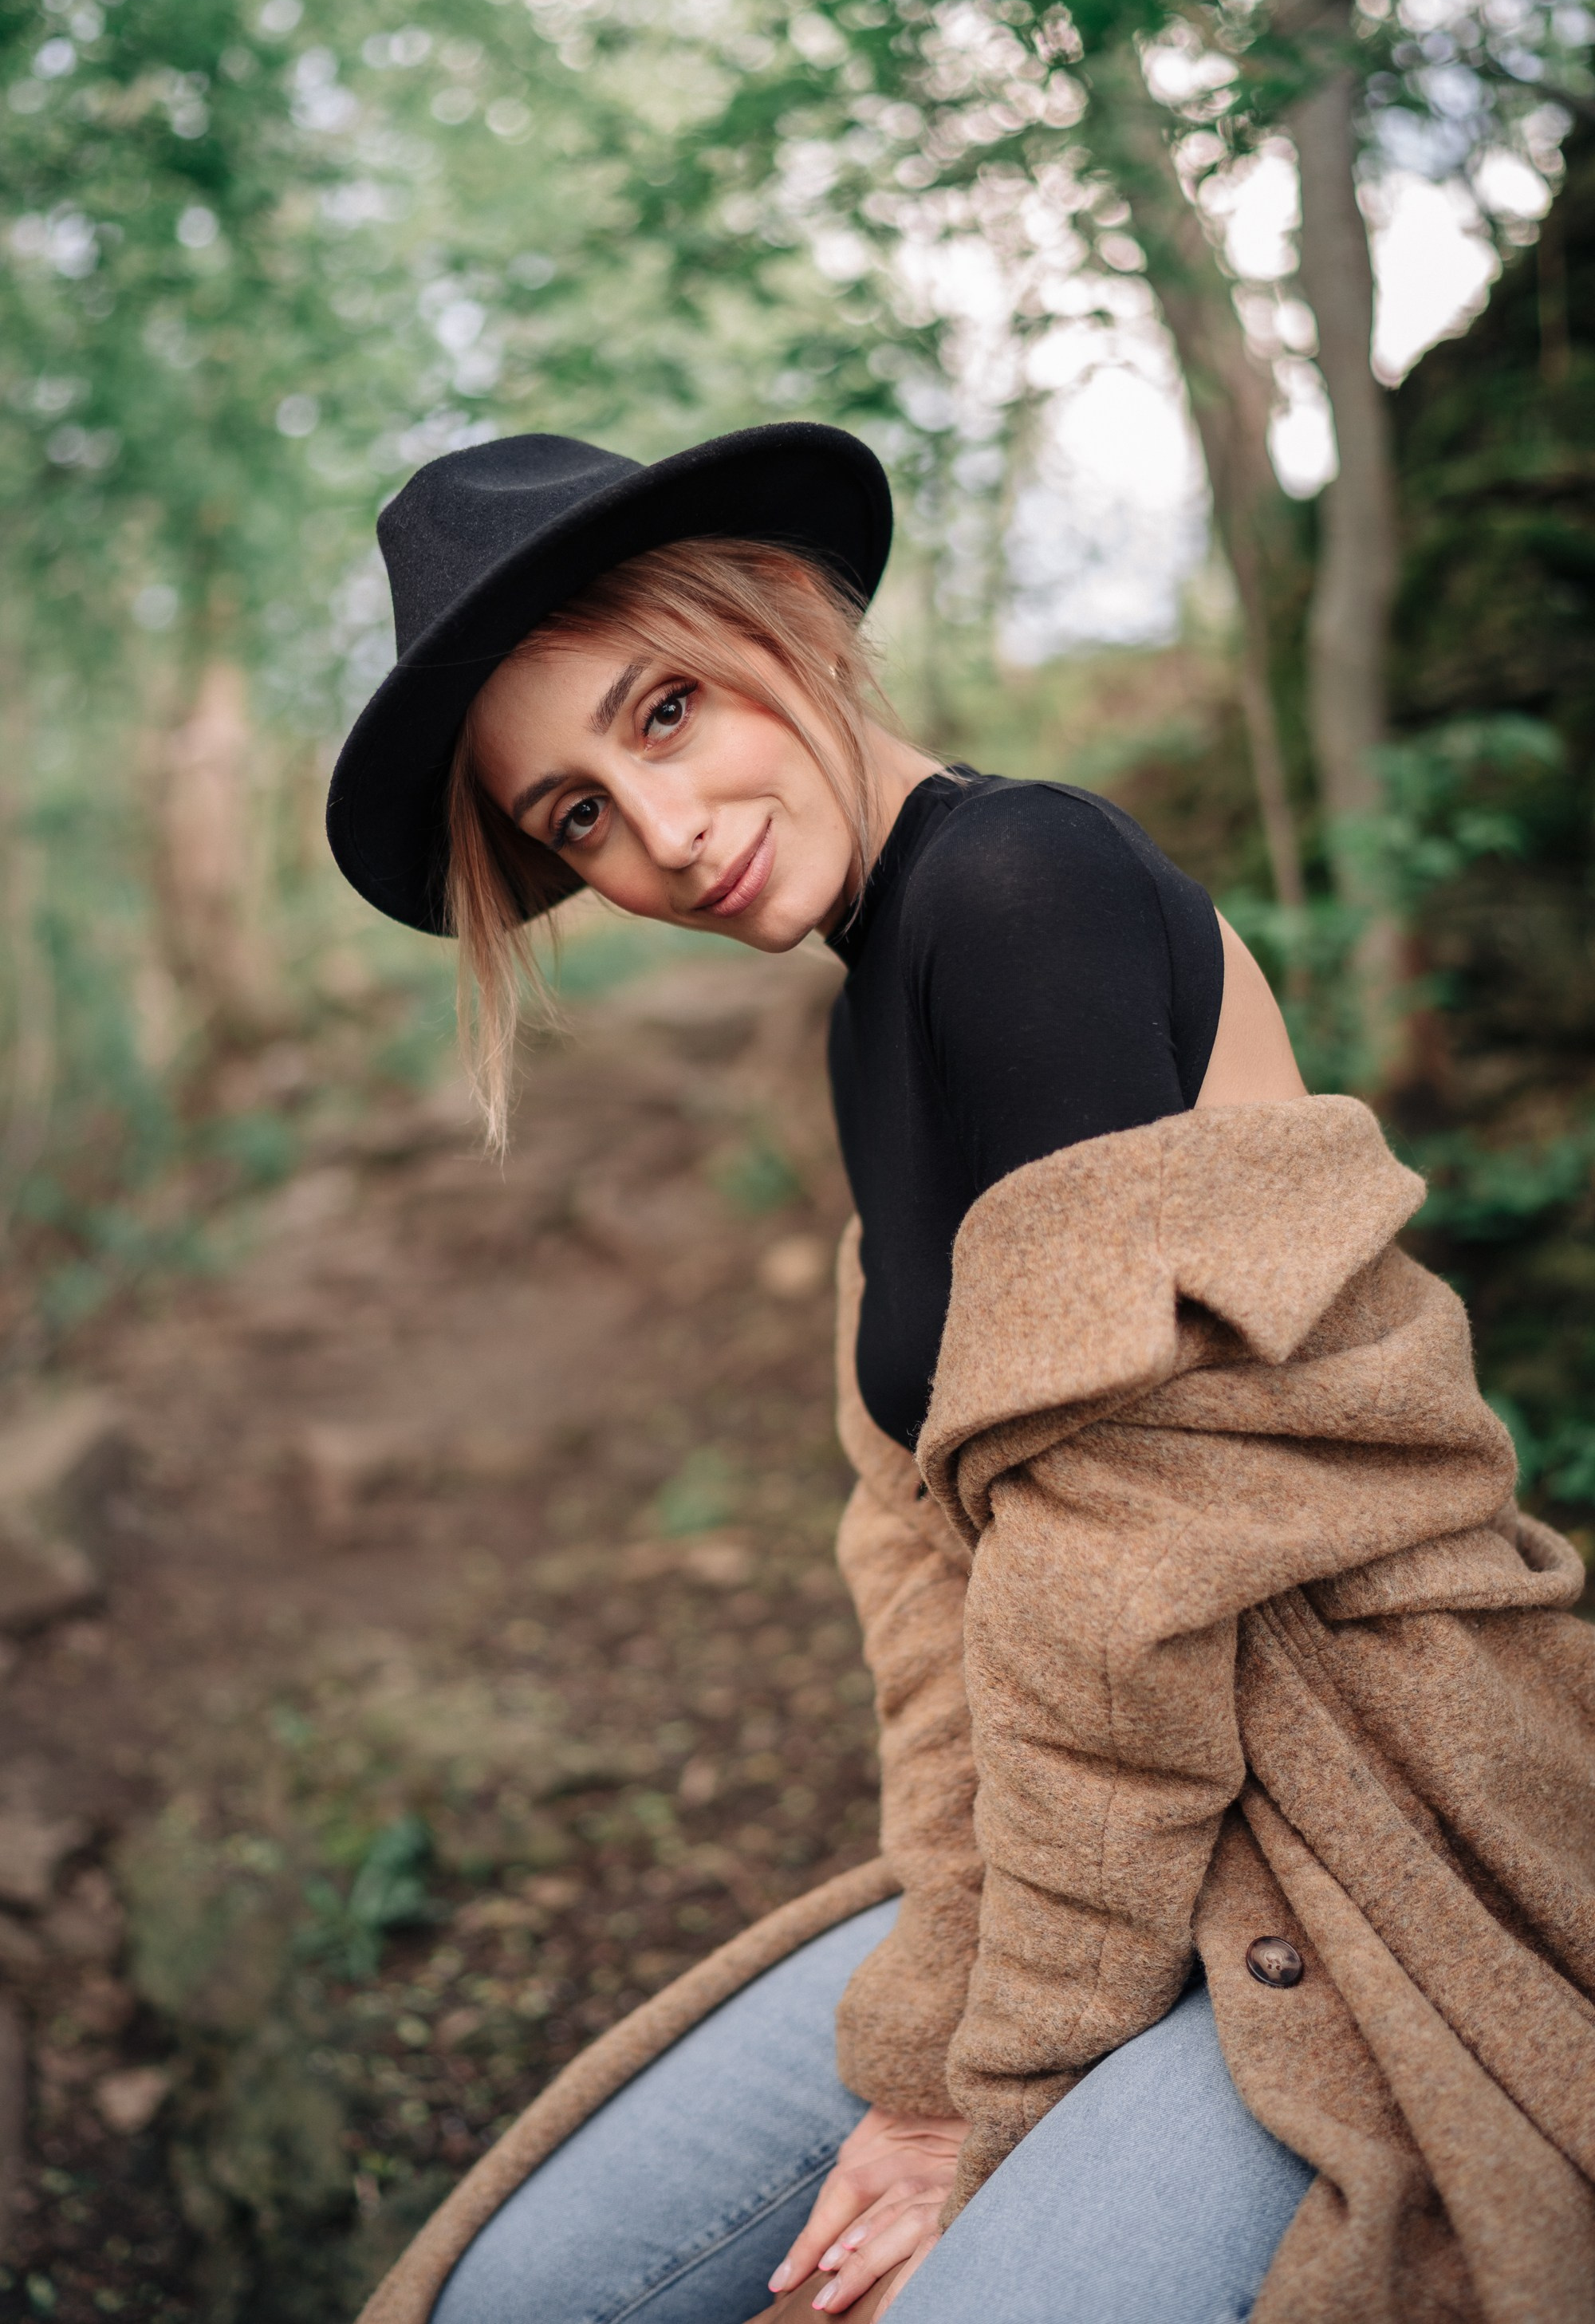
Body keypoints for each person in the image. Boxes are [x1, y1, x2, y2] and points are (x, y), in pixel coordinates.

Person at [329, 427, 1595, 2324]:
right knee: (524, 2287)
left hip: (1369, 1816)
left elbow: (1117, 1581)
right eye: (575, 817)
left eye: (663, 712)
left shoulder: (1022, 889)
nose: (658, 833)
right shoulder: (872, 1010)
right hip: (1096, 1828)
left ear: (781, 615)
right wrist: (935, 1981)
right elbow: (933, 1566)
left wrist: (968, 2105)